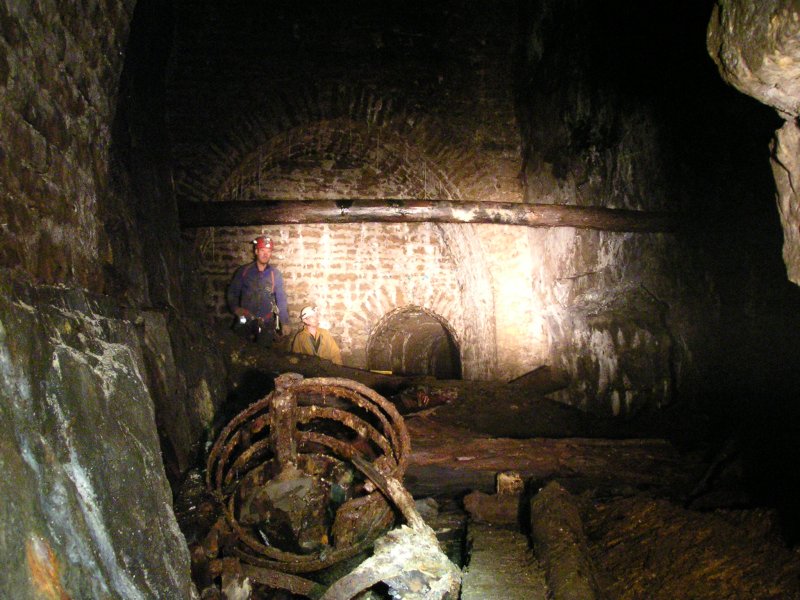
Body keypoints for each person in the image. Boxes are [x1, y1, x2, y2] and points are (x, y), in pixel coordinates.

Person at [226, 235, 289, 346]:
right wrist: (235, 308)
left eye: (268, 251)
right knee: (238, 347)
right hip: (245, 318)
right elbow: (232, 292)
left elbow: (281, 299)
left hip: (266, 321)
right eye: (262, 251)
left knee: (264, 352)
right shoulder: (244, 271)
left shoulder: (275, 274)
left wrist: (285, 322)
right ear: (256, 251)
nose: (265, 254)